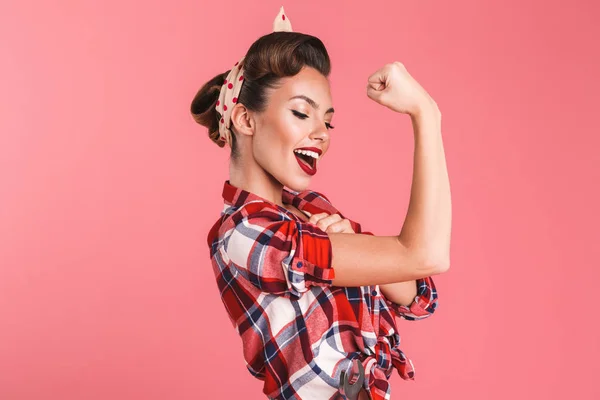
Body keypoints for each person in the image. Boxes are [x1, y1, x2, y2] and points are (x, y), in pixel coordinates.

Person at [191, 6, 451, 400]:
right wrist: (426, 114)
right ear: (245, 120)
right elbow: (424, 254)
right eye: (301, 112)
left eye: (327, 122)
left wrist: (358, 247)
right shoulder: (246, 233)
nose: (322, 134)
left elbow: (415, 293)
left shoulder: (312, 209)